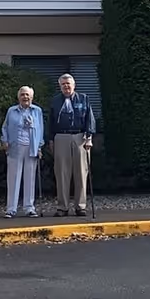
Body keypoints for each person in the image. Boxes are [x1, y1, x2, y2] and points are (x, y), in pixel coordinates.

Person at [47, 73, 96, 217]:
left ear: (74, 85)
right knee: (62, 173)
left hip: (80, 136)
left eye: (68, 84)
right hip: (61, 137)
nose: (66, 86)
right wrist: (51, 139)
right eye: (63, 84)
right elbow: (50, 121)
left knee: (81, 172)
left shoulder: (83, 98)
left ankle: (80, 206)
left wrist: (89, 137)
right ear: (60, 86)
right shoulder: (55, 101)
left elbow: (89, 119)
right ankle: (62, 207)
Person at [1, 86, 44, 218]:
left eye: (27, 95)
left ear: (32, 97)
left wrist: (39, 146)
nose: (25, 97)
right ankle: (11, 208)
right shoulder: (12, 111)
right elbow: (5, 126)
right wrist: (4, 140)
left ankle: (29, 207)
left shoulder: (37, 111)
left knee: (30, 178)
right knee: (13, 178)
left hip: (31, 146)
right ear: (18, 97)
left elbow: (41, 129)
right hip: (15, 146)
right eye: (22, 95)